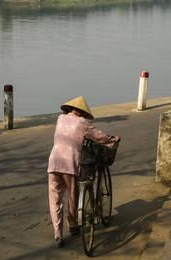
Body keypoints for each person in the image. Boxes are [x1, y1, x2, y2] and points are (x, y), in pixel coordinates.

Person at [47, 96, 120, 248]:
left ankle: (57, 234)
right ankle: (73, 224)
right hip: (69, 163)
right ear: (81, 113)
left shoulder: (60, 119)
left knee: (55, 199)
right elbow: (100, 137)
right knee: (71, 196)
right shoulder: (83, 123)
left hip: (53, 162)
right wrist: (113, 139)